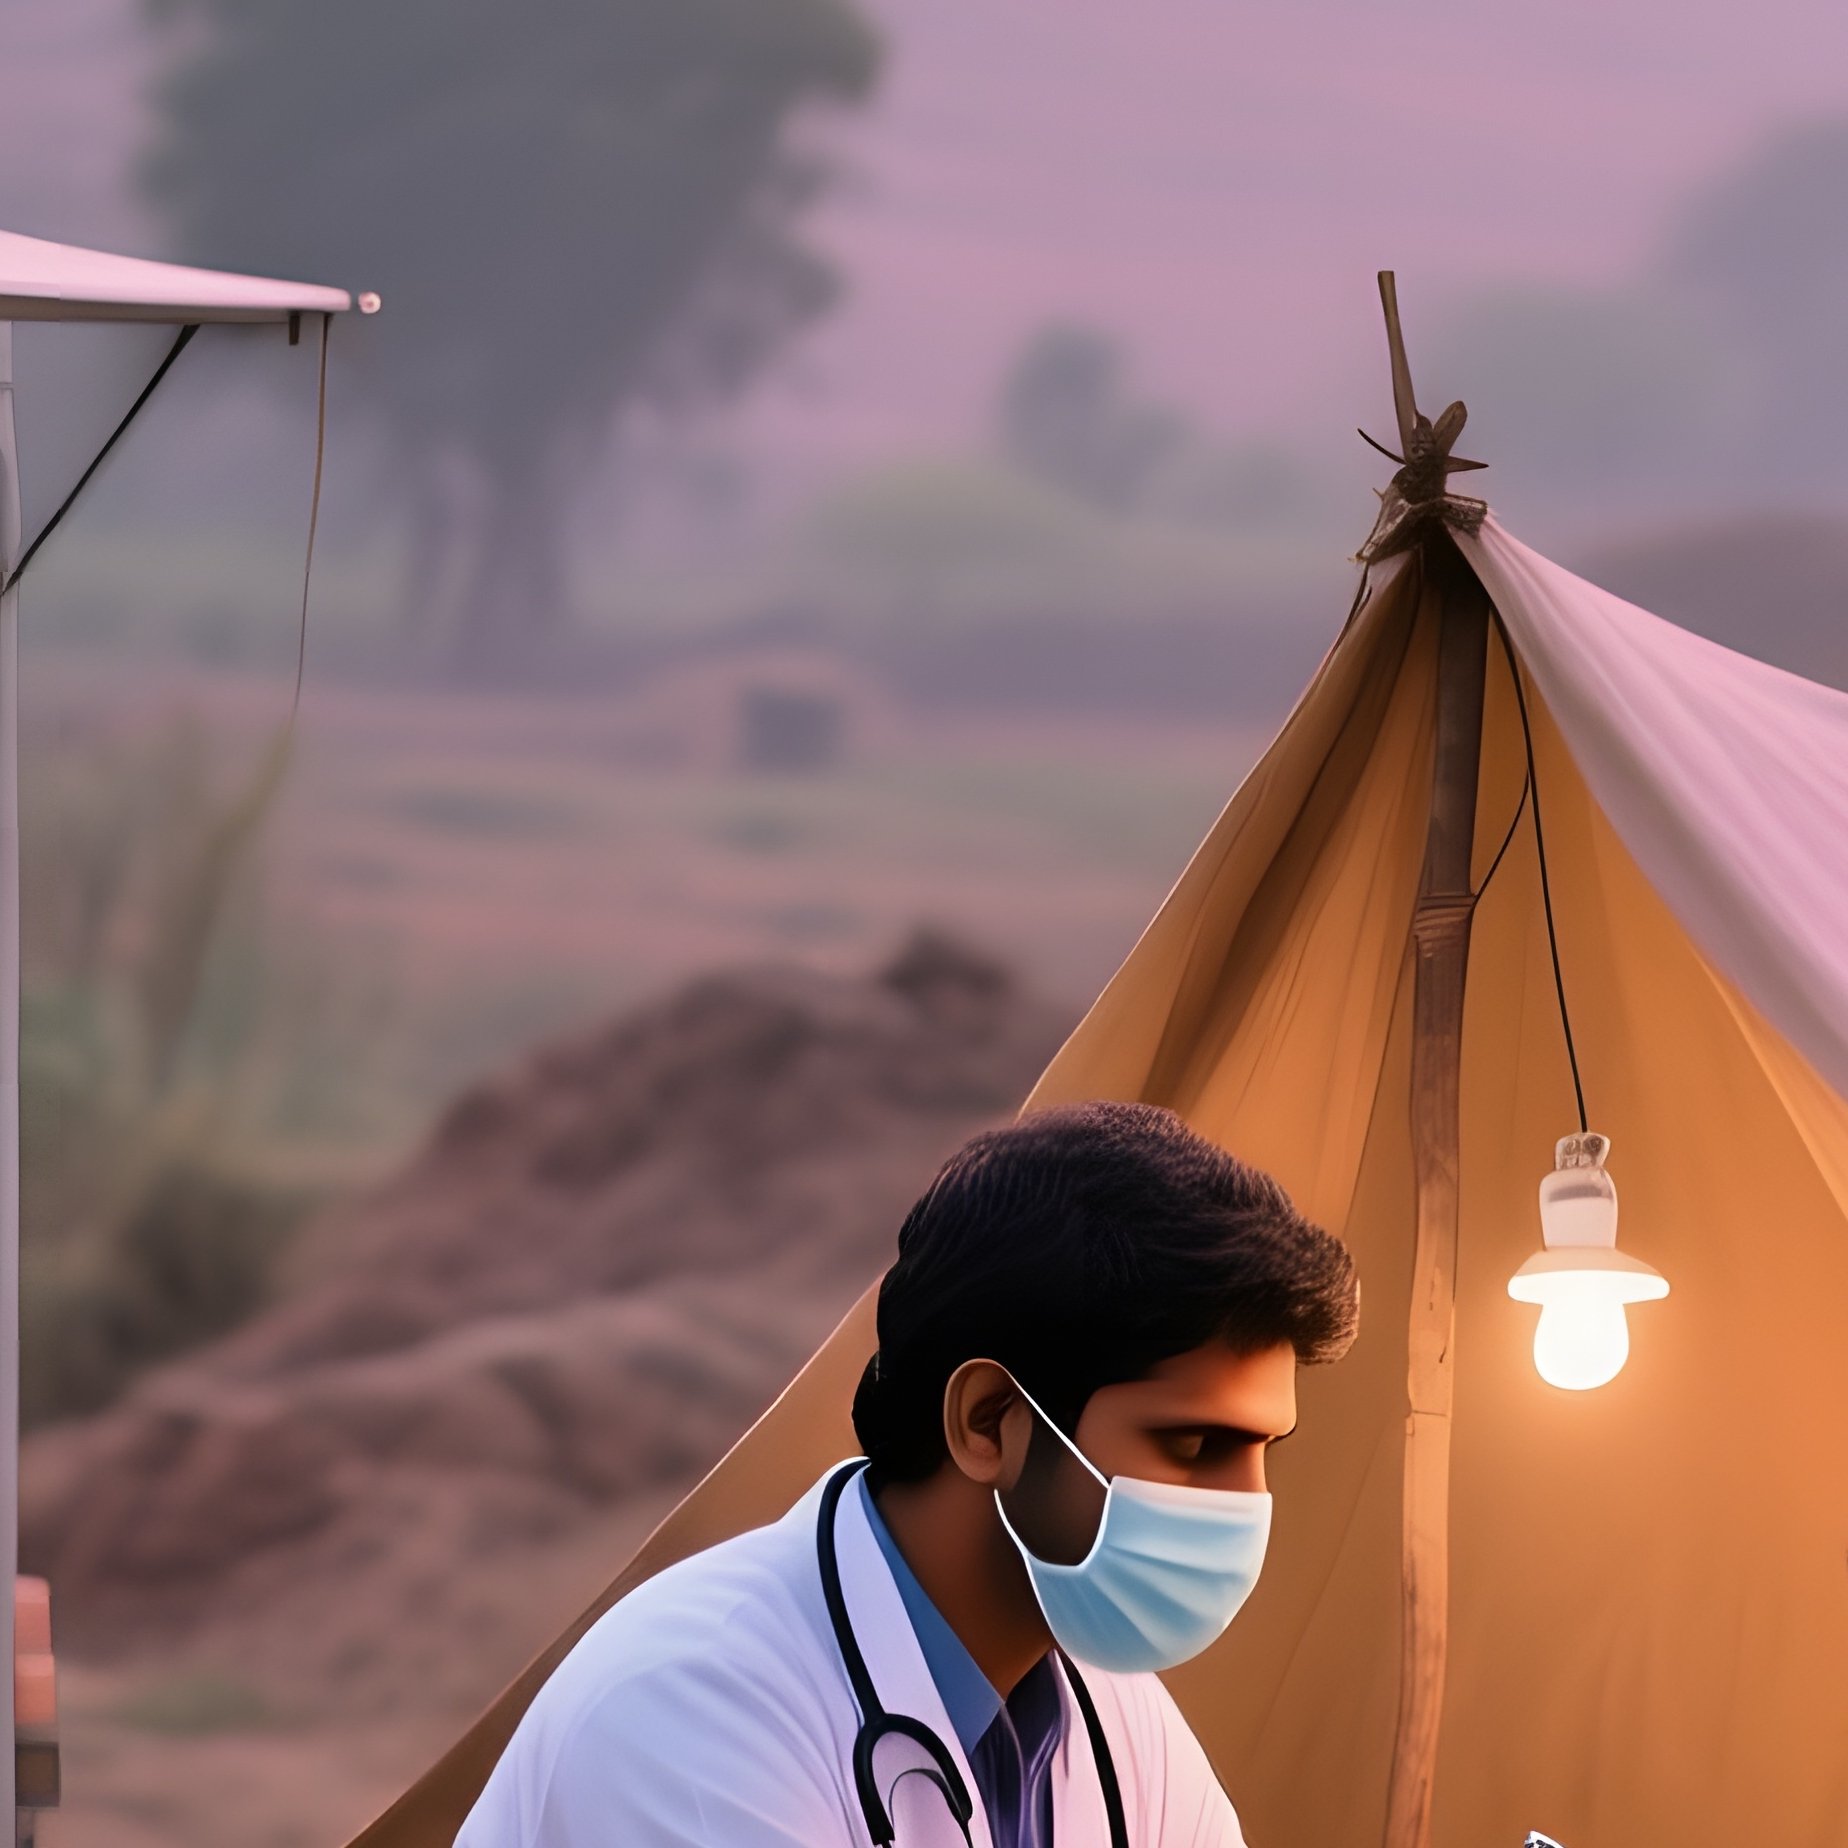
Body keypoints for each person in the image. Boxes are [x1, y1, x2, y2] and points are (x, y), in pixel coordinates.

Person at [456, 1099, 1359, 1846]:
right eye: (1196, 1447)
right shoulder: (688, 1707)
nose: (1249, 1505)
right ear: (987, 1422)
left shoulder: (1119, 1725)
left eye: (1264, 1451)